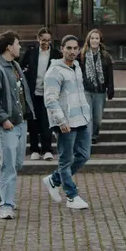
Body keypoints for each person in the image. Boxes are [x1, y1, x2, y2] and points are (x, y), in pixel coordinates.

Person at [0, 31, 33, 220]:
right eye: (17, 44)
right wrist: (4, 119)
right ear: (9, 47)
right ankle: (6, 205)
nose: (20, 47)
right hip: (6, 126)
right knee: (9, 166)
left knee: (16, 163)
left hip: (20, 122)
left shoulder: (15, 65)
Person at [43, 35, 94, 210]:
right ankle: (71, 196)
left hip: (81, 119)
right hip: (65, 122)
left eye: (75, 48)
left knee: (84, 155)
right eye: (69, 48)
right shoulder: (54, 71)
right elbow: (50, 99)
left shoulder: (77, 67)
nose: (72, 51)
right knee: (66, 160)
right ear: (62, 49)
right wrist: (61, 120)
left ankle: (54, 179)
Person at [22, 28, 58, 161]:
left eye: (48, 40)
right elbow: (21, 68)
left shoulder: (56, 54)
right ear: (38, 39)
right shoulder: (30, 53)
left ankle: (47, 149)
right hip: (33, 93)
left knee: (47, 122)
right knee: (33, 122)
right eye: (43, 40)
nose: (46, 43)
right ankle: (34, 149)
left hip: (49, 93)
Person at [81, 29, 116, 141]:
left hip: (100, 91)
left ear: (100, 40)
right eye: (92, 38)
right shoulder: (82, 55)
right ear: (88, 40)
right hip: (86, 90)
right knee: (88, 116)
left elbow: (110, 74)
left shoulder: (105, 56)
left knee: (97, 118)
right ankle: (88, 136)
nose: (94, 40)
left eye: (97, 38)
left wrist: (110, 88)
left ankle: (95, 134)